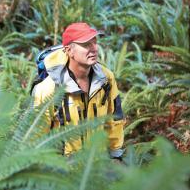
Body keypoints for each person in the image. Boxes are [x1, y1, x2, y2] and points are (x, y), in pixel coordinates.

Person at [33, 22, 125, 159]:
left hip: (97, 164)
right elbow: (36, 137)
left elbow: (115, 119)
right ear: (69, 50)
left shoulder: (106, 79)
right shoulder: (48, 89)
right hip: (63, 170)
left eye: (95, 42)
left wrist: (116, 154)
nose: (94, 49)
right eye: (86, 44)